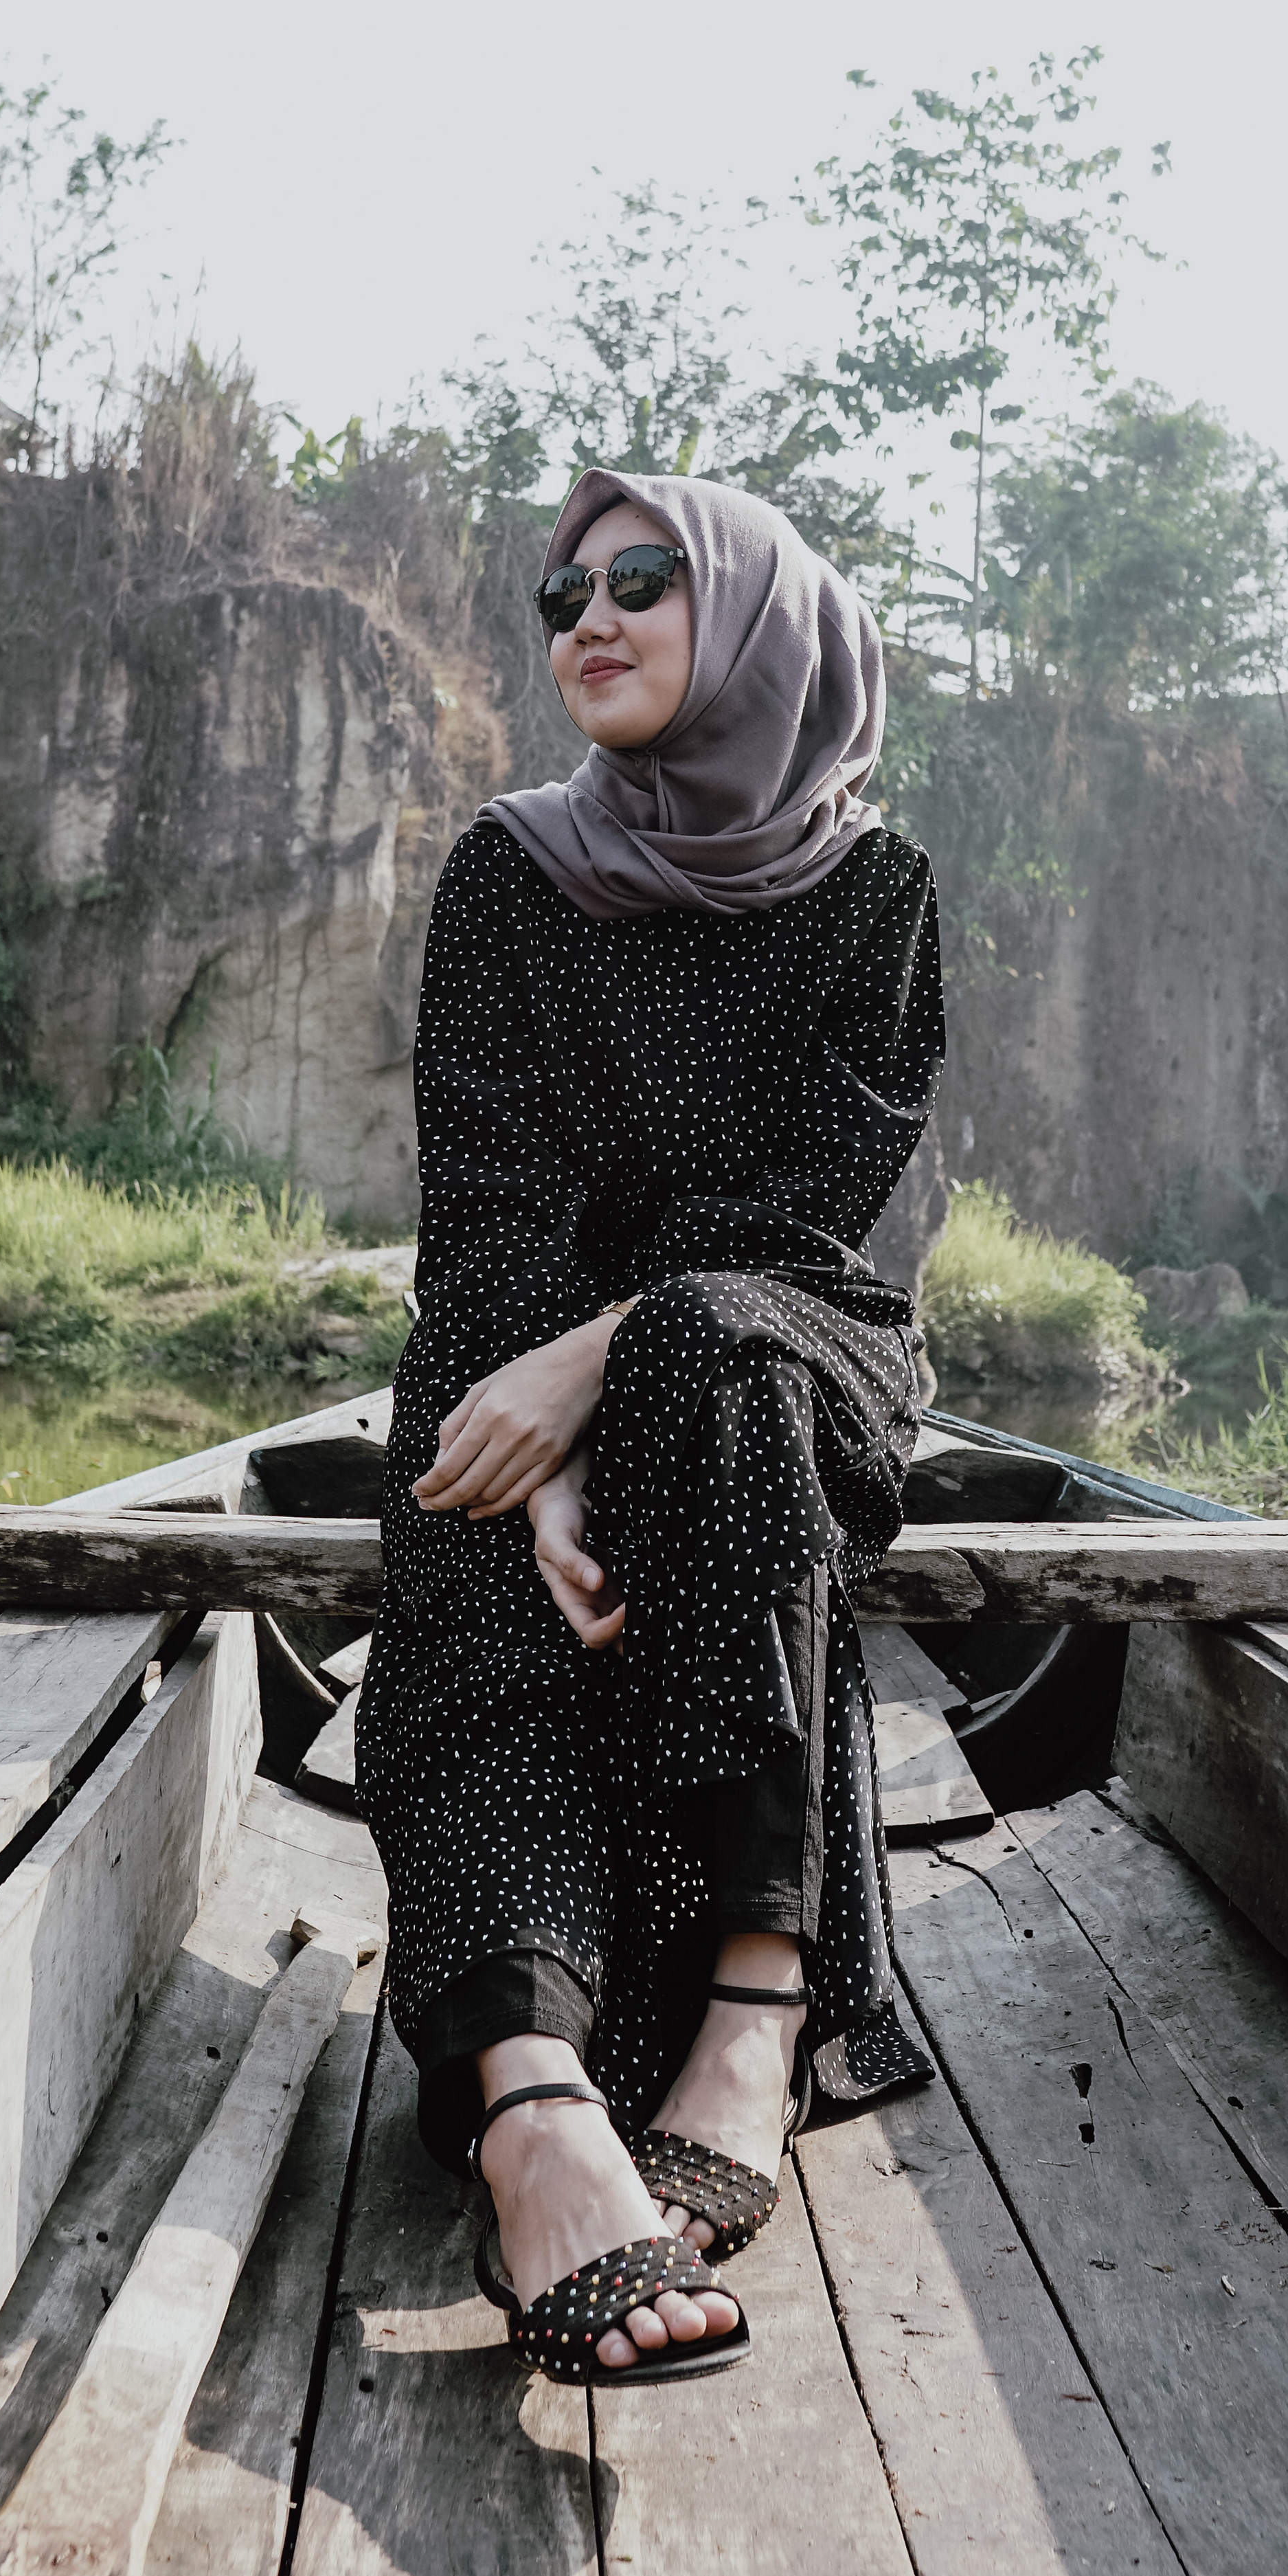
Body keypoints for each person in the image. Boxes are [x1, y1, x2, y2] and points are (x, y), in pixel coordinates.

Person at [354, 465, 945, 2387]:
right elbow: (488, 1212)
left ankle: (754, 2007)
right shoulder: (511, 874)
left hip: (791, 1325)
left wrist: (592, 1377)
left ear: (760, 617)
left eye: (642, 580)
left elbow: (805, 1216)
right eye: (563, 595)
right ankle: (533, 2095)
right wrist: (536, 1439)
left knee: (714, 1348)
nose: (588, 620)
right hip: (521, 1331)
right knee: (459, 1471)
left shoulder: (877, 893)